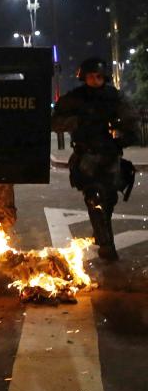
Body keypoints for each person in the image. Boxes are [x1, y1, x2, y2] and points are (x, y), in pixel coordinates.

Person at [52, 57, 138, 260]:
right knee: (94, 197)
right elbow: (55, 121)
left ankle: (101, 234)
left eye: (98, 76)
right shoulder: (75, 98)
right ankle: (107, 245)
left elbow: (131, 121)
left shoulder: (113, 97)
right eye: (90, 76)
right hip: (85, 155)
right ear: (84, 77)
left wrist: (121, 139)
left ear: (104, 77)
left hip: (108, 154)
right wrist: (75, 121)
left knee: (108, 199)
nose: (94, 80)